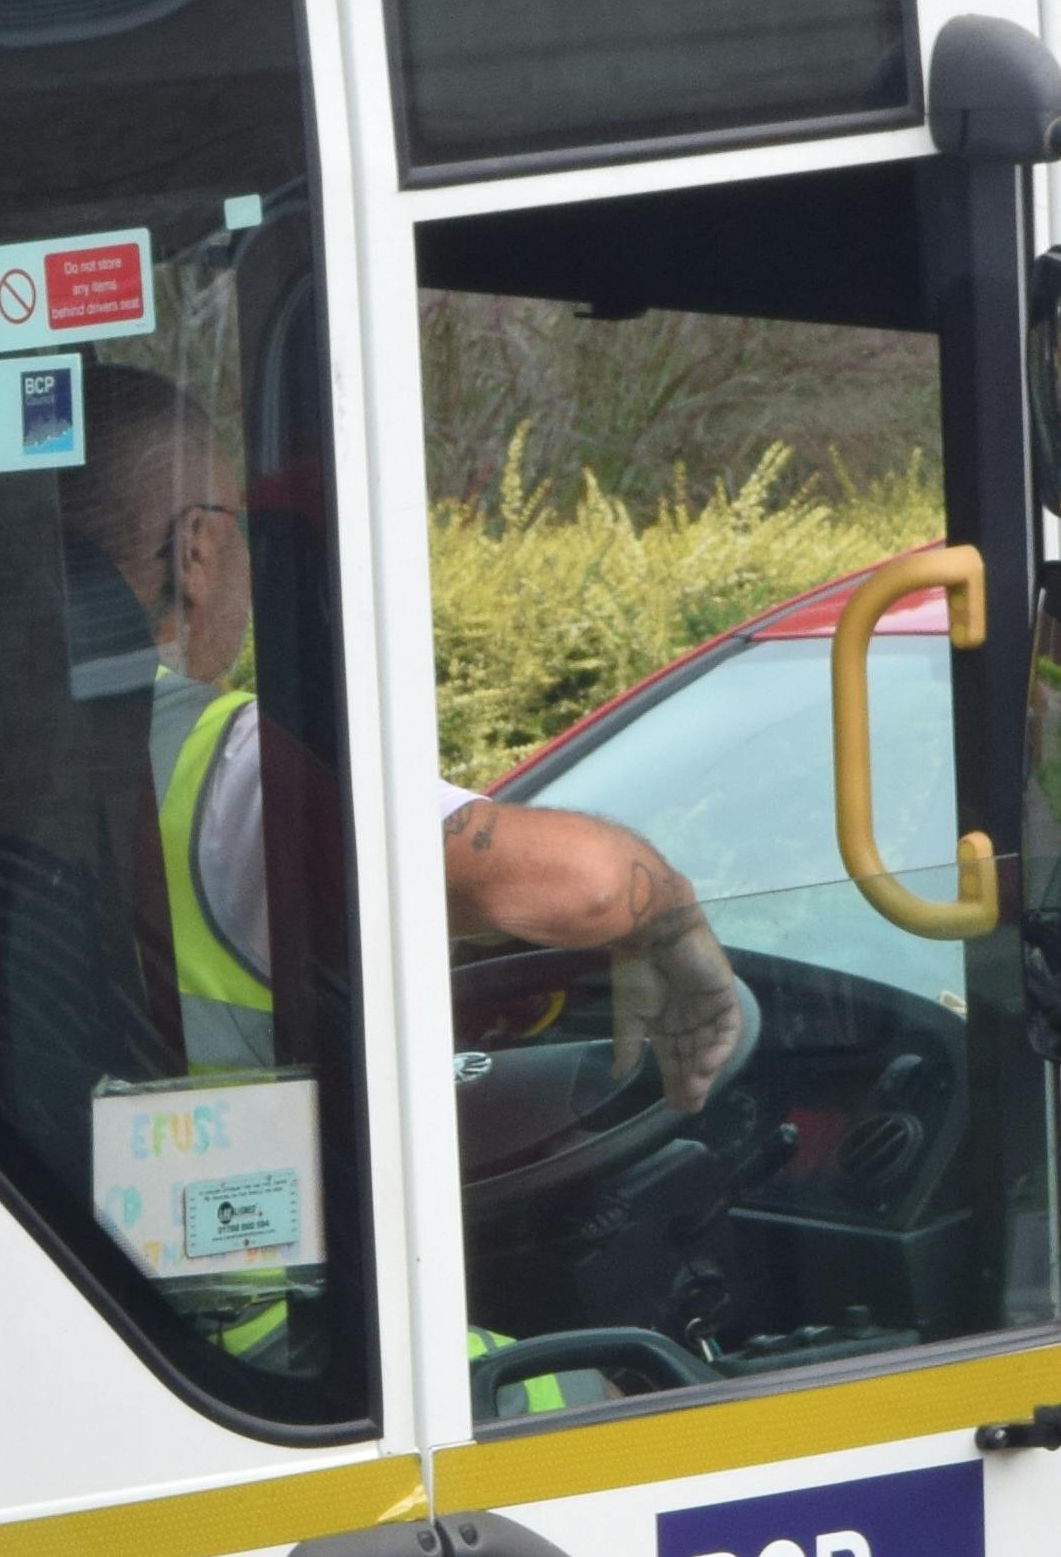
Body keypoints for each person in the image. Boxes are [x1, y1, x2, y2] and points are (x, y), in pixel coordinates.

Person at [76, 369, 752, 1112]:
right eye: (240, 521)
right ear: (196, 549)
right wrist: (673, 920)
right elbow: (590, 884)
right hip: (231, 1213)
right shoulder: (231, 766)